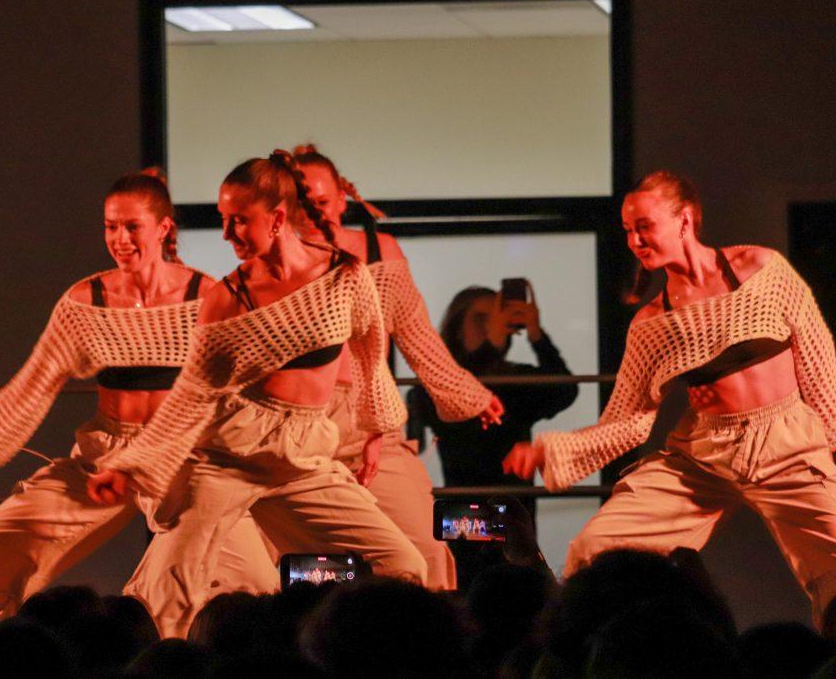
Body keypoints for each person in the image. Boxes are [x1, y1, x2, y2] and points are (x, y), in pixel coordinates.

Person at [0, 173, 278, 643]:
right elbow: (32, 387)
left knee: (250, 579)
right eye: (110, 228)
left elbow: (240, 386)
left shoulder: (207, 297)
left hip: (183, 460)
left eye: (132, 227)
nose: (120, 240)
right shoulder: (87, 301)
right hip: (104, 456)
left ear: (164, 229)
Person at [87, 150, 428, 637]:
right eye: (223, 221)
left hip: (303, 456)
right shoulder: (228, 296)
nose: (227, 235)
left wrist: (376, 426)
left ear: (279, 217)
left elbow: (372, 350)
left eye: (238, 221)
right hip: (233, 456)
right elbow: (190, 395)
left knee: (402, 566)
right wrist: (127, 463)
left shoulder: (344, 276)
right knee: (170, 593)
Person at [504, 171, 836, 626]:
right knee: (597, 548)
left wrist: (832, 438)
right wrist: (551, 448)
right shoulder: (653, 321)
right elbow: (629, 420)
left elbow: (818, 360)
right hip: (704, 455)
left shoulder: (760, 268)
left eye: (644, 226)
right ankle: (603, 656)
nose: (636, 240)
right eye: (627, 231)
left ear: (684, 219)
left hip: (788, 446)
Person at [292, 144, 503, 590]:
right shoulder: (276, 265)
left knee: (424, 549)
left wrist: (469, 394)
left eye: (323, 202)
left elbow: (416, 332)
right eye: (303, 203)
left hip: (374, 426)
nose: (315, 213)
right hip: (301, 432)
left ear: (342, 200)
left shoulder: (378, 249)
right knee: (284, 562)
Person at [408, 284, 578, 505]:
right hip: (461, 509)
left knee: (510, 535)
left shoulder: (515, 380)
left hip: (513, 512)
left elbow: (566, 391)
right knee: (471, 535)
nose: (490, 326)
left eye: (498, 319)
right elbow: (460, 391)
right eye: (481, 319)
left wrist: (537, 335)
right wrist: (492, 343)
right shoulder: (438, 383)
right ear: (457, 327)